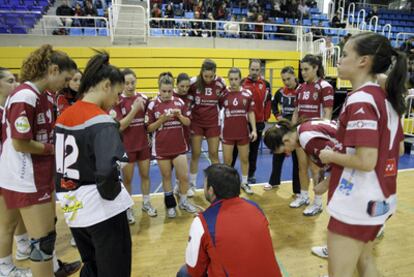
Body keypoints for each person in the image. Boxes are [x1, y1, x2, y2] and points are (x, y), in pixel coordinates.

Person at [318, 32, 406, 277]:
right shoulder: (385, 98)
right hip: (380, 197)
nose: (339, 60)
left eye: (345, 55)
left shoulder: (361, 100)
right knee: (366, 262)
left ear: (363, 61)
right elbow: (398, 149)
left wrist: (330, 156)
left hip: (358, 200)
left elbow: (366, 161)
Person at [0, 45, 81, 277]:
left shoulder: (43, 95)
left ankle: (53, 268)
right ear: (53, 70)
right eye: (65, 78)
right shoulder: (25, 96)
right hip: (27, 177)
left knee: (43, 239)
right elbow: (20, 142)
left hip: (38, 174)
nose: (66, 84)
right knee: (42, 243)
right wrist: (53, 149)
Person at [55, 51, 133, 277]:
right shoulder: (101, 120)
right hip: (102, 211)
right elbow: (107, 171)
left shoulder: (63, 116)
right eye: (117, 94)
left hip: (74, 210)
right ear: (106, 85)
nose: (117, 100)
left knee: (91, 266)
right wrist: (113, 196)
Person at [177, 164, 282, 277]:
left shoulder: (202, 222)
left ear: (211, 190)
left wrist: (203, 220)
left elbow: (194, 271)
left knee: (184, 273)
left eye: (205, 184)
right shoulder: (255, 207)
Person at [146, 74, 197, 218]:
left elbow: (188, 122)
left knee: (183, 177)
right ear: (159, 89)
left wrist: (180, 116)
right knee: (166, 176)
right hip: (162, 148)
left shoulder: (179, 102)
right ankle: (170, 205)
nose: (167, 94)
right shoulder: (152, 104)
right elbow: (149, 128)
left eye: (169, 91)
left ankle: (184, 201)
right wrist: (161, 119)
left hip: (179, 146)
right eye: (164, 91)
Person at [110, 68, 157, 224]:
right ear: (122, 84)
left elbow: (149, 120)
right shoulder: (117, 101)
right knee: (128, 180)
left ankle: (146, 203)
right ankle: (128, 208)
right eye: (127, 83)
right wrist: (135, 109)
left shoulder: (143, 98)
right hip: (127, 147)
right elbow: (121, 126)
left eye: (133, 82)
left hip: (143, 145)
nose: (130, 86)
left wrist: (149, 135)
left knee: (145, 176)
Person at [290, 54, 334, 216]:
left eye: (306, 69)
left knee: (316, 170)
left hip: (316, 136)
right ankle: (303, 196)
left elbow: (328, 112)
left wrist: (324, 135)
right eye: (301, 69)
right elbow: (296, 110)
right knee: (302, 167)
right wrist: (293, 130)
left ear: (316, 68)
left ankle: (317, 203)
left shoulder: (325, 86)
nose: (303, 72)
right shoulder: (300, 88)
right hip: (301, 134)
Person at [0, 67, 32, 277]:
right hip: (3, 174)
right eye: (10, 81)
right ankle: (5, 268)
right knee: (6, 223)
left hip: (10, 173)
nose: (15, 85)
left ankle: (22, 247)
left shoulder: (7, 109)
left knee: (17, 214)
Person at [188, 59, 226, 193]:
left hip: (212, 123)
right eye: (206, 76)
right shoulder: (193, 83)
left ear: (215, 73)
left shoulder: (221, 83)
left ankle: (216, 183)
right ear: (201, 73)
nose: (208, 79)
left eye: (211, 76)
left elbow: (222, 101)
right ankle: (191, 185)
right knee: (196, 154)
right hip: (197, 122)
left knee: (214, 154)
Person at [233, 59, 272, 184]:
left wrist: (265, 118)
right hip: (242, 123)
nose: (254, 72)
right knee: (235, 150)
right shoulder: (242, 82)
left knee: (253, 151)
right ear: (249, 69)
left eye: (257, 70)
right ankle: (230, 174)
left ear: (260, 70)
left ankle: (250, 174)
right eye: (252, 69)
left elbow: (268, 103)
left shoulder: (265, 84)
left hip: (259, 122)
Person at [221, 68, 257, 194]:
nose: (233, 82)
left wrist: (254, 130)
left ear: (240, 79)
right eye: (231, 79)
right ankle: (227, 184)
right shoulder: (223, 94)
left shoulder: (247, 94)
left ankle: (245, 182)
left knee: (244, 159)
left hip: (243, 133)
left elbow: (251, 112)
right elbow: (215, 111)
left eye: (236, 79)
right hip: (227, 133)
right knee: (227, 161)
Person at [265, 66, 300, 193]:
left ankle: (297, 189)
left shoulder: (302, 90)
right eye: (284, 79)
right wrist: (278, 116)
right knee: (277, 155)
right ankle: (273, 181)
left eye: (289, 79)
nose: (286, 82)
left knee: (297, 161)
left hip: (296, 131)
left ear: (294, 76)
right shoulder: (280, 92)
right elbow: (273, 105)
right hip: (283, 130)